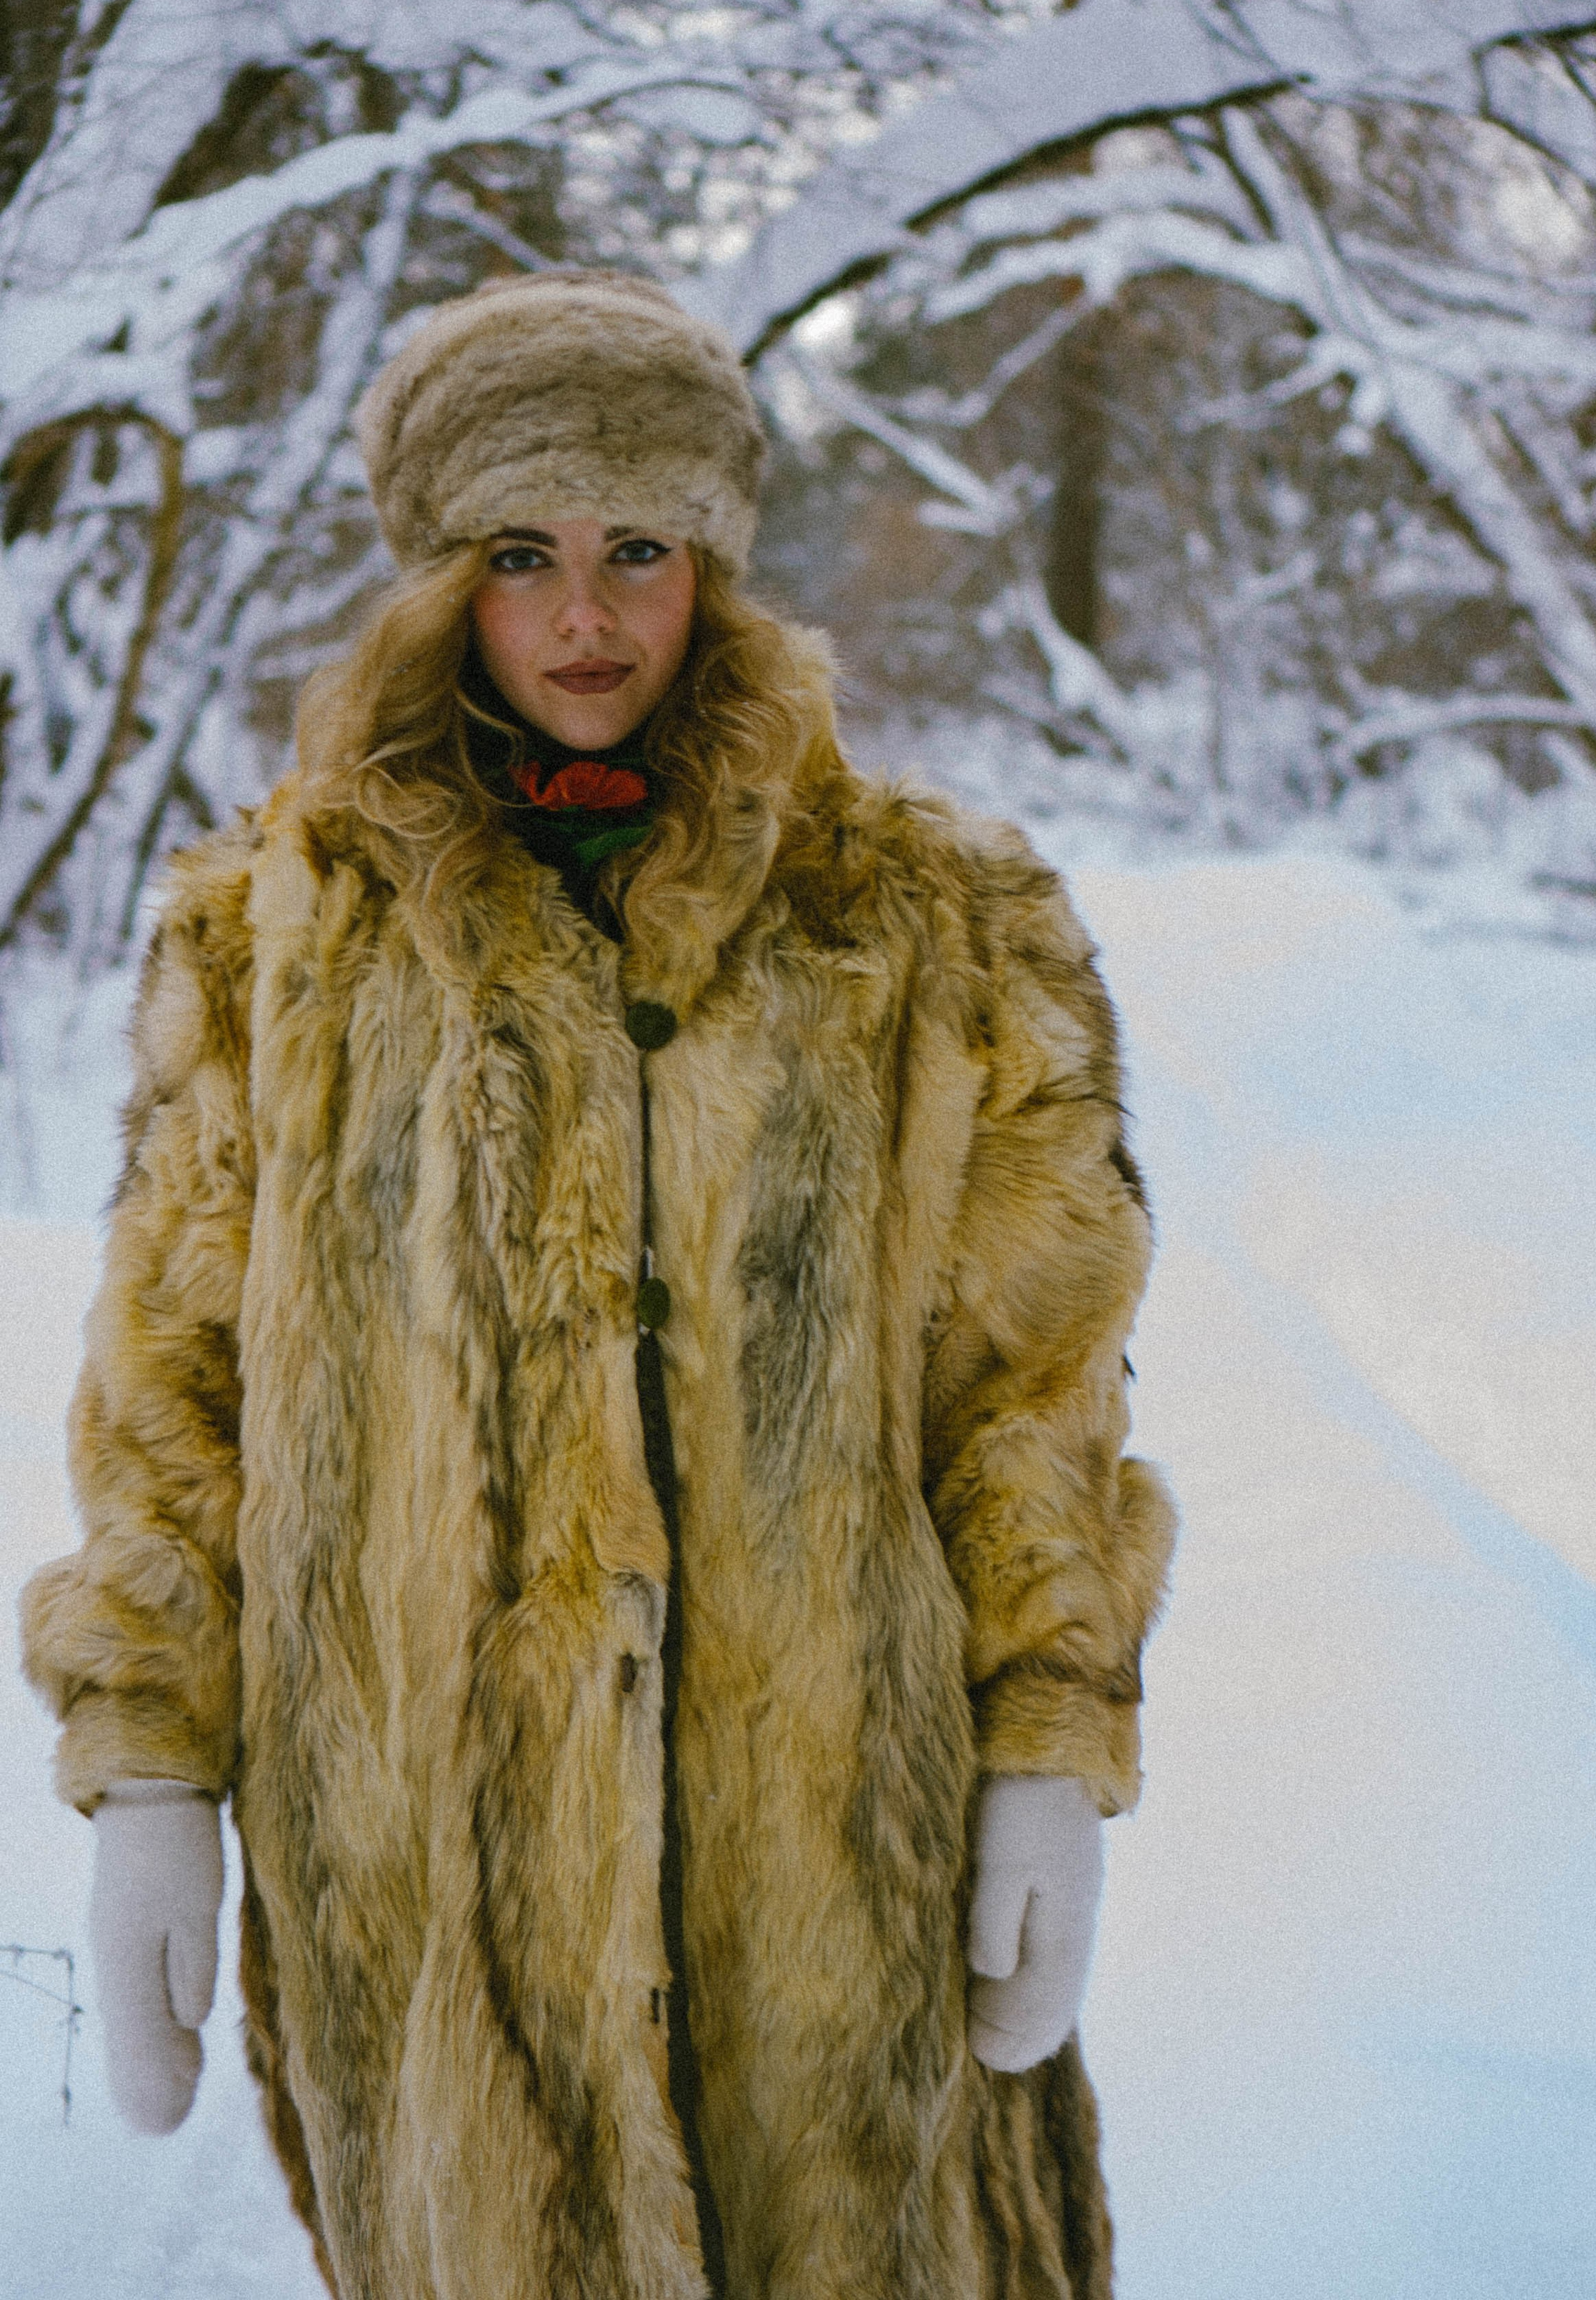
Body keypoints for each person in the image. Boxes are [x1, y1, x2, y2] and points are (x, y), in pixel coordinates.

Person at [19, 271, 1174, 2300]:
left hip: (840, 1884)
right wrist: (151, 1767)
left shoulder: (931, 920)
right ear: (441, 581)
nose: (588, 617)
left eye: (640, 550)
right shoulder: (268, 940)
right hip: (436, 1904)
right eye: (524, 556)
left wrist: (1049, 1740)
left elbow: (1035, 1379)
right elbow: (175, 1386)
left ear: (713, 566)